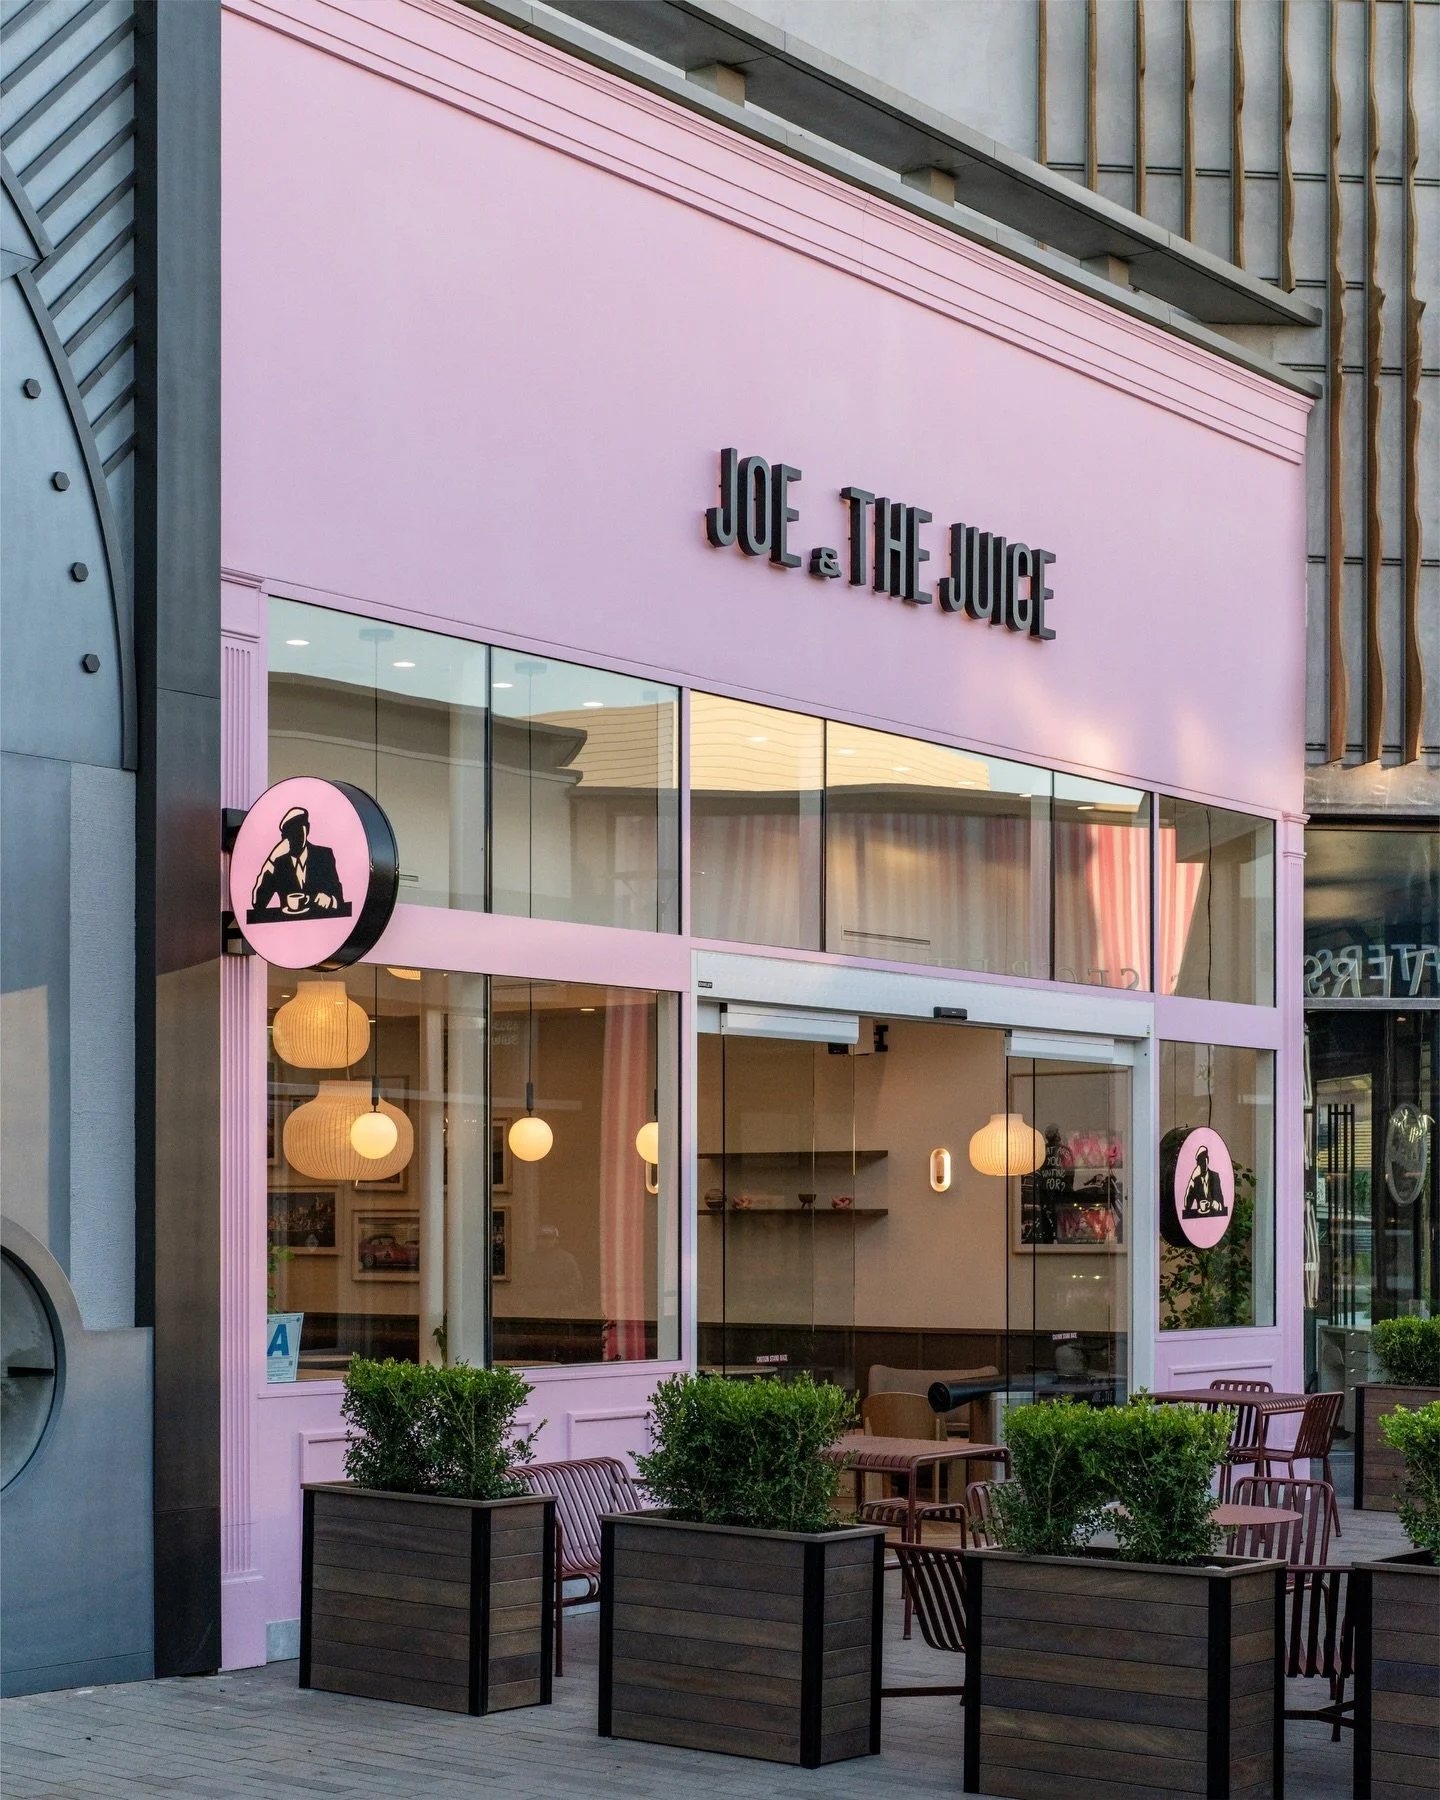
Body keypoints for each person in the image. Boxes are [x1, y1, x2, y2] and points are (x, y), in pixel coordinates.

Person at [248, 806, 351, 922]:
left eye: (297, 831)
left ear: (307, 829)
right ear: (284, 838)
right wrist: (271, 859)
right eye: (289, 834)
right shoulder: (279, 864)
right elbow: (258, 904)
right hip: (286, 933)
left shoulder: (323, 855)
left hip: (322, 930)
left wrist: (330, 901)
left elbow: (339, 899)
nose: (294, 838)